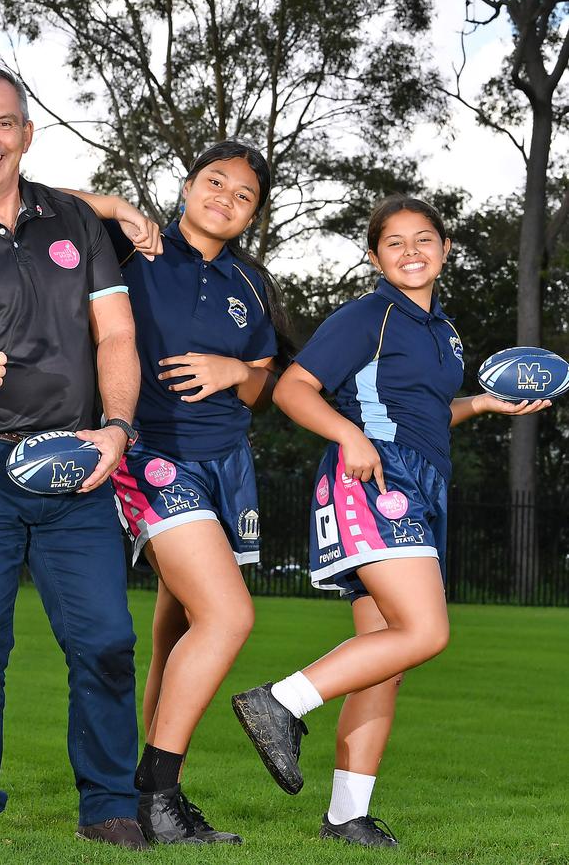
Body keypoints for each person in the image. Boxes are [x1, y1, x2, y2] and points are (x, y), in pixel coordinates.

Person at [232, 194, 551, 847]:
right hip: (376, 478)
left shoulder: (445, 332)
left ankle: (346, 817)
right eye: (395, 242)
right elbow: (294, 387)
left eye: (424, 239)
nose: (411, 251)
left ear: (446, 249)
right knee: (426, 630)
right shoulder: (368, 315)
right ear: (376, 256)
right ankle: (280, 702)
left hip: (418, 481)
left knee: (386, 661)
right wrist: (349, 437)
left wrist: (482, 404)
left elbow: (424, 412)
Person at [0, 66, 160, 849]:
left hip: (75, 462)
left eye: (5, 123)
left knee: (105, 640)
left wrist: (117, 430)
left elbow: (117, 335)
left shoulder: (75, 222)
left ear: (26, 133)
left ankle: (109, 805)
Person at [71, 139, 293, 845]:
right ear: (188, 183)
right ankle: (157, 798)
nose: (224, 197)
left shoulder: (252, 285)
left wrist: (237, 371)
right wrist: (108, 204)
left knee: (178, 634)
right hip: (151, 453)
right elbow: (25, 203)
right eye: (214, 180)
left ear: (253, 215)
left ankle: (158, 797)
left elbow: (266, 384)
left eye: (243, 195)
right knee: (228, 616)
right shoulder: (129, 246)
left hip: (224, 463)